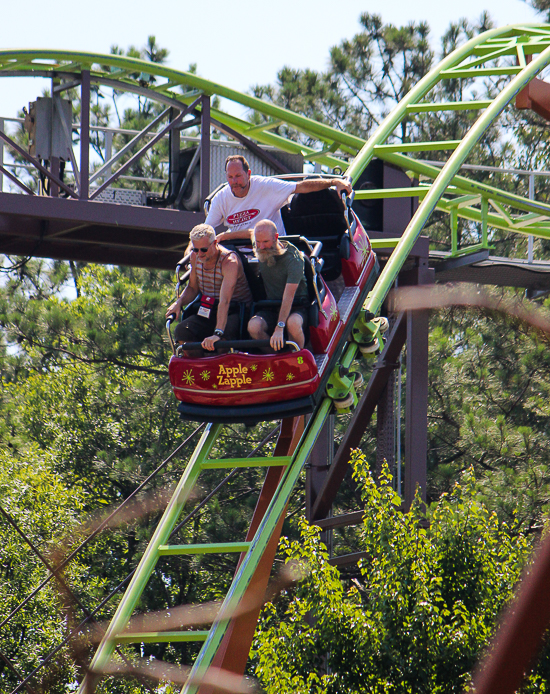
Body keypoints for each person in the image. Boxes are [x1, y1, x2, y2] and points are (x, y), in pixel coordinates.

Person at [205, 154, 352, 237]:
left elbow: (301, 186)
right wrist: (191, 250)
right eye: (230, 177)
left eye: (238, 176)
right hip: (239, 253)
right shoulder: (221, 198)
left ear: (249, 174)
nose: (234, 181)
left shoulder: (265, 186)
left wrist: (334, 181)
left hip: (273, 249)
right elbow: (205, 230)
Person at [218, 219, 308, 352]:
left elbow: (288, 297)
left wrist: (279, 326)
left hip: (296, 306)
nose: (261, 247)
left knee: (292, 324)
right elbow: (249, 233)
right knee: (254, 327)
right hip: (271, 307)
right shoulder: (260, 245)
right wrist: (223, 236)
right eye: (258, 242)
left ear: (276, 238)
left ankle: (297, 357)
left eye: (265, 242)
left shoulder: (293, 259)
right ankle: (275, 357)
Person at [166, 224, 252, 354]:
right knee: (182, 331)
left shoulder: (229, 262)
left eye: (204, 249)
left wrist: (217, 333)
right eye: (196, 249)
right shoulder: (195, 257)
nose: (200, 254)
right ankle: (198, 367)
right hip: (210, 308)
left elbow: (225, 301)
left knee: (223, 341)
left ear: (215, 243)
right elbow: (193, 288)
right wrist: (178, 302)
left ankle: (222, 369)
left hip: (236, 309)